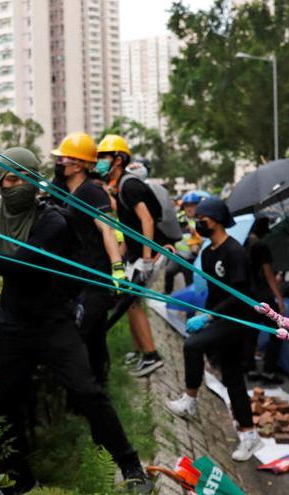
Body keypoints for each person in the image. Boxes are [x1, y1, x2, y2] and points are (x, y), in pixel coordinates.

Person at [0, 147, 152, 493]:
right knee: (5, 402)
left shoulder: (53, 221)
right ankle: (20, 475)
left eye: (16, 177)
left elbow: (20, 265)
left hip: (53, 325)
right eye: (4, 177)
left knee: (87, 392)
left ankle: (129, 463)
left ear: (34, 181)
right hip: (11, 325)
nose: (8, 184)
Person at [164, 197, 263, 462]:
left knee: (192, 344)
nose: (198, 224)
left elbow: (241, 294)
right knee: (231, 377)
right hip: (220, 317)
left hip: (239, 320)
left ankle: (190, 400)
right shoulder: (208, 253)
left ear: (216, 221)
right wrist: (204, 312)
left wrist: (208, 317)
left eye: (202, 220)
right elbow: (214, 291)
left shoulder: (235, 252)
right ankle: (249, 434)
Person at [51, 132, 125, 386]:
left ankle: (85, 394)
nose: (59, 163)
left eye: (64, 159)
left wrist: (117, 268)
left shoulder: (91, 192)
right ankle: (99, 386)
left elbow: (107, 229)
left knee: (77, 336)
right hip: (82, 277)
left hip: (96, 278)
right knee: (94, 339)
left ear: (80, 164)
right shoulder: (71, 193)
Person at [96, 134, 164, 377]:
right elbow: (127, 220)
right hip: (136, 253)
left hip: (146, 254)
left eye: (103, 157)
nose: (99, 161)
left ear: (118, 159)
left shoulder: (130, 184)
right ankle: (140, 350)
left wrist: (146, 258)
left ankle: (151, 355)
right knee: (131, 303)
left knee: (133, 303)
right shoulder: (121, 185)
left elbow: (146, 219)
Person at [244, 215, 286, 384]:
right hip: (263, 296)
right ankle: (269, 371)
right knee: (277, 331)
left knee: (251, 333)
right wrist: (279, 298)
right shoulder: (261, 246)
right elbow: (269, 276)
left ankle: (251, 369)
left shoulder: (243, 244)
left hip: (247, 296)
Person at [165, 191, 204, 293]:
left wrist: (196, 235)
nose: (189, 208)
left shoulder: (202, 221)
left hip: (192, 259)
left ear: (198, 206)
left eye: (192, 205)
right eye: (187, 206)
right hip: (178, 256)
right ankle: (167, 294)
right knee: (169, 272)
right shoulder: (179, 219)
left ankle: (191, 305)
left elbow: (205, 241)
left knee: (189, 284)